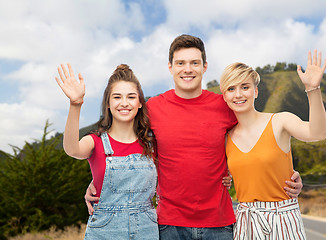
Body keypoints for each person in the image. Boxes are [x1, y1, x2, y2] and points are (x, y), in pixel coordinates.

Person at [85, 34, 304, 240]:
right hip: (169, 224)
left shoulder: (225, 105)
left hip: (219, 224)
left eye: (194, 63)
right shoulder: (152, 108)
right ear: (170, 67)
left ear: (204, 67)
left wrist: (286, 173)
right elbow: (126, 142)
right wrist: (99, 180)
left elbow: (258, 137)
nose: (187, 69)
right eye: (180, 63)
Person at [219, 50, 326, 239]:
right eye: (231, 89)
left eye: (245, 87)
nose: (238, 94)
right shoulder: (225, 138)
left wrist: (313, 89)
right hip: (247, 221)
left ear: (256, 91)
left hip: (283, 218)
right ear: (224, 96)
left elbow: (317, 133)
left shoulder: (280, 121)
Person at [55, 64, 158, 239]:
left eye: (131, 97)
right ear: (108, 103)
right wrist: (75, 104)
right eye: (117, 97)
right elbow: (72, 149)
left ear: (140, 103)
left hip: (146, 230)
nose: (124, 103)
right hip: (104, 231)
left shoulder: (151, 144)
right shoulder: (95, 142)